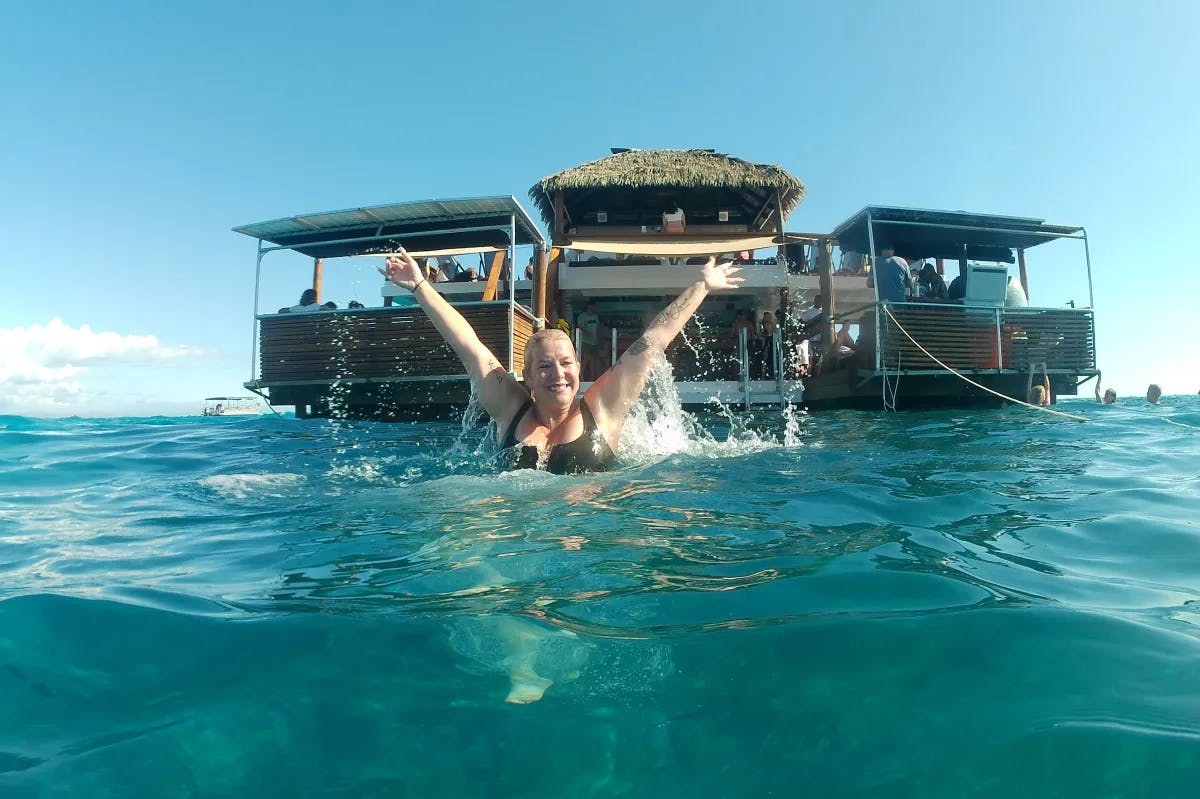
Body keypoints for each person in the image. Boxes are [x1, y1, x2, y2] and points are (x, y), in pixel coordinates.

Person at [379, 249, 743, 474]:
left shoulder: (601, 409)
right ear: (529, 377)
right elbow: (470, 347)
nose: (558, 374)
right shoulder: (511, 408)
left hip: (586, 539)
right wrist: (419, 287)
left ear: (579, 368)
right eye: (545, 367)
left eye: (566, 363)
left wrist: (702, 287)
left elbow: (650, 344)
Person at [575, 301, 604, 381]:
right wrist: (589, 334)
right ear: (588, 307)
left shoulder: (595, 316)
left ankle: (593, 377)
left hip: (595, 342)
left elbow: (597, 327)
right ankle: (580, 376)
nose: (593, 308)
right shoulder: (582, 316)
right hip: (586, 341)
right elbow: (580, 327)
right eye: (591, 307)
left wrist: (598, 337)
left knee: (594, 360)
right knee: (586, 359)